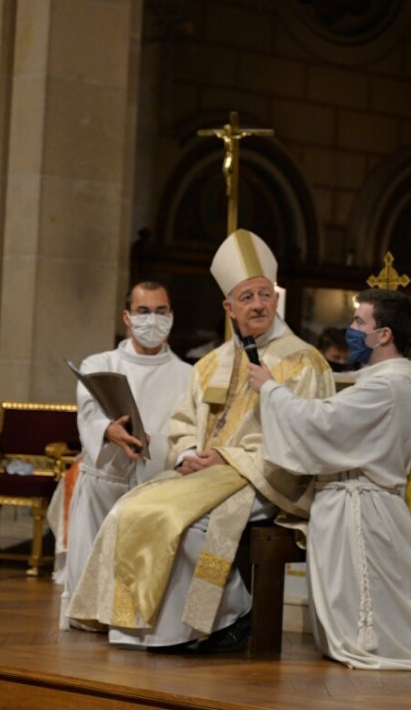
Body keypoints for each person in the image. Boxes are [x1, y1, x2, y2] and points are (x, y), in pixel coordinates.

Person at [67, 229, 335, 652]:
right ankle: (136, 624)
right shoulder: (211, 363)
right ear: (229, 307)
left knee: (190, 524)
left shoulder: (304, 362)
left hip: (269, 478)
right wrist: (190, 453)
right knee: (133, 507)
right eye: (246, 298)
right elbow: (183, 423)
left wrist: (227, 459)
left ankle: (222, 620)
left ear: (276, 299)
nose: (258, 304)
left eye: (264, 294)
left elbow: (307, 435)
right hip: (207, 473)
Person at [248, 288, 411, 669]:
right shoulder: (380, 380)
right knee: (405, 593)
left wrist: (269, 388)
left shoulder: (387, 385)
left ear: (383, 334)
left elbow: (322, 423)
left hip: (359, 506)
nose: (351, 329)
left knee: (385, 612)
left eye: (359, 322)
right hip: (353, 502)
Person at [57, 282, 193, 628]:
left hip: (153, 494)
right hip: (103, 485)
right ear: (127, 317)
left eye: (161, 312)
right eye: (144, 312)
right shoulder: (99, 363)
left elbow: (189, 432)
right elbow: (88, 413)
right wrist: (108, 430)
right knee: (89, 604)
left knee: (136, 601)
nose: (153, 320)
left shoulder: (189, 376)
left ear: (172, 316)